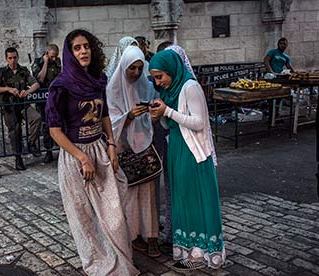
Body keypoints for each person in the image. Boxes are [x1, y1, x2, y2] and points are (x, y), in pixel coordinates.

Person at [46, 29, 139, 276]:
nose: (83, 51)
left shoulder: (98, 80)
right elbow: (55, 131)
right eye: (77, 48)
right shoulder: (60, 86)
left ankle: (121, 262)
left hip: (100, 149)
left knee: (114, 211)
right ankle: (99, 264)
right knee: (84, 217)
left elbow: (105, 114)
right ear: (70, 53)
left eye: (86, 46)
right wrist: (82, 157)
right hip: (75, 156)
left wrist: (111, 144)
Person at [148, 50, 225, 271]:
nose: (158, 82)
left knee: (196, 201)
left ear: (172, 70)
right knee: (181, 200)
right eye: (154, 77)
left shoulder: (190, 87)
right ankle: (189, 252)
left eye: (160, 76)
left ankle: (203, 254)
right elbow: (170, 125)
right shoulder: (171, 90)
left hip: (193, 154)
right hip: (177, 150)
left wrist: (168, 112)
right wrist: (160, 116)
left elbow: (199, 122)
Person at [106, 45, 161, 258]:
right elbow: (109, 122)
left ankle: (152, 237)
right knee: (129, 195)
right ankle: (134, 236)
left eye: (139, 68)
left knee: (148, 195)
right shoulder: (112, 89)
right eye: (132, 69)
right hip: (122, 149)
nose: (136, 73)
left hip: (143, 143)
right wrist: (128, 116)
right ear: (124, 67)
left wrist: (152, 114)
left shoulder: (144, 86)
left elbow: (152, 112)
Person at [0, 47, 42, 171]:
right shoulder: (3, 73)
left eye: (14, 57)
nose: (12, 60)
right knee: (15, 131)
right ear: (6, 59)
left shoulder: (23, 71)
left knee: (36, 118)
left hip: (22, 104)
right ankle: (18, 158)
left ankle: (31, 143)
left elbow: (36, 84)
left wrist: (27, 91)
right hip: (9, 107)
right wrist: (7, 89)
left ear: (17, 57)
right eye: (10, 58)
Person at [32, 44, 61, 163]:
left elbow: (60, 76)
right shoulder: (38, 62)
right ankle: (48, 151)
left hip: (55, 98)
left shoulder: (57, 62)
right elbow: (40, 79)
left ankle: (60, 148)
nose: (54, 59)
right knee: (46, 125)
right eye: (52, 57)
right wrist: (45, 63)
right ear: (46, 54)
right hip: (43, 101)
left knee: (57, 123)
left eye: (55, 57)